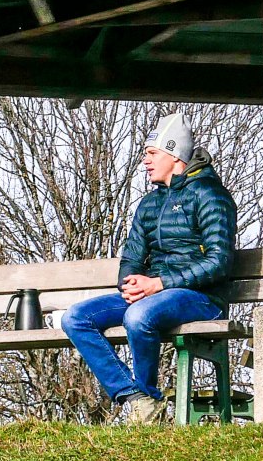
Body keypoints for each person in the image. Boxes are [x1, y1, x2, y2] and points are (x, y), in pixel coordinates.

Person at [61, 112, 237, 424]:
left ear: (174, 154)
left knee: (138, 315)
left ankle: (147, 394)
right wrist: (129, 283)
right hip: (155, 295)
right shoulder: (149, 203)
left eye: (152, 153)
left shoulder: (210, 195)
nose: (146, 161)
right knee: (76, 318)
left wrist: (158, 284)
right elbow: (132, 256)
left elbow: (218, 262)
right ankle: (137, 399)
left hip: (202, 299)